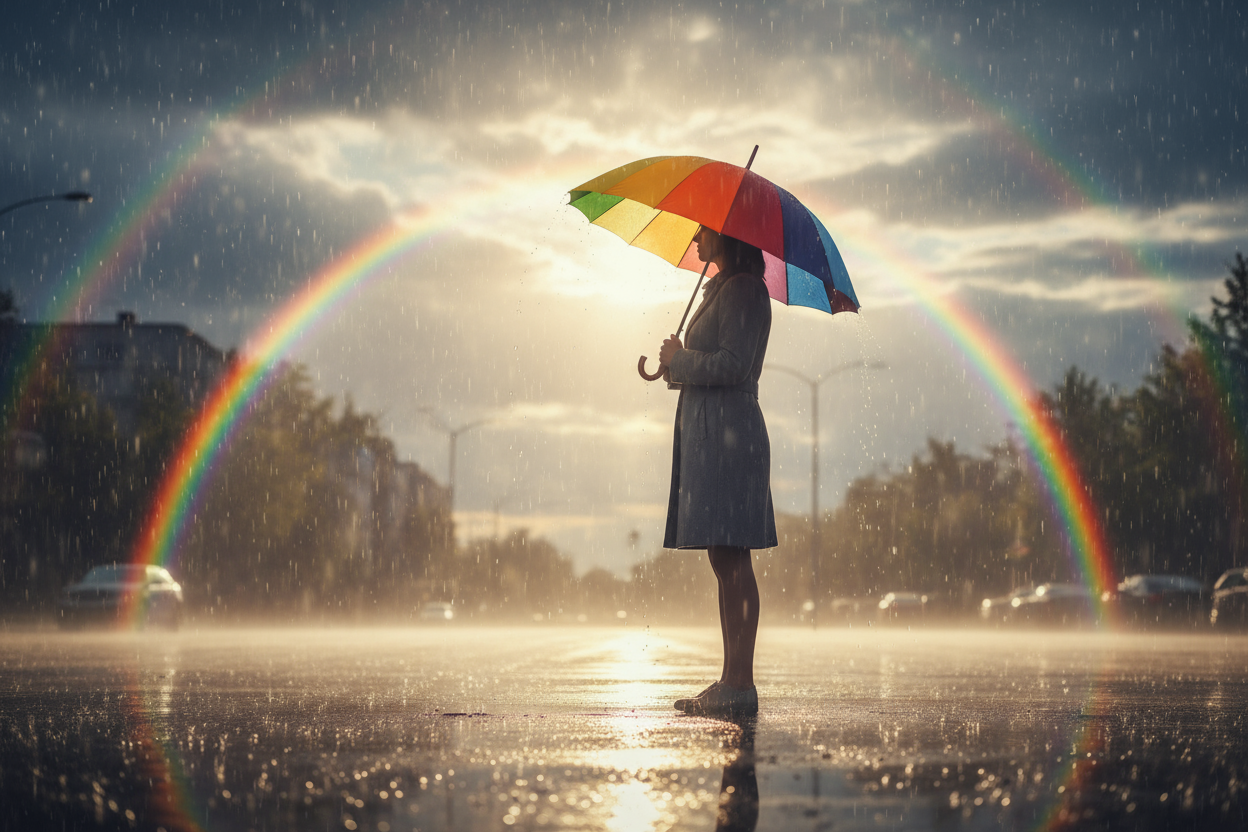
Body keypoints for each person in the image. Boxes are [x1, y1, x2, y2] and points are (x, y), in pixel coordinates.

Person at [657, 225, 778, 718]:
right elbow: (709, 365)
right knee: (722, 556)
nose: (693, 238)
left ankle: (740, 683)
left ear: (727, 234)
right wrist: (673, 365)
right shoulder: (723, 288)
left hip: (732, 437)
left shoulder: (746, 290)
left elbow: (732, 365)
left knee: (733, 556)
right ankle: (731, 679)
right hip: (713, 436)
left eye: (703, 231)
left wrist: (682, 358)